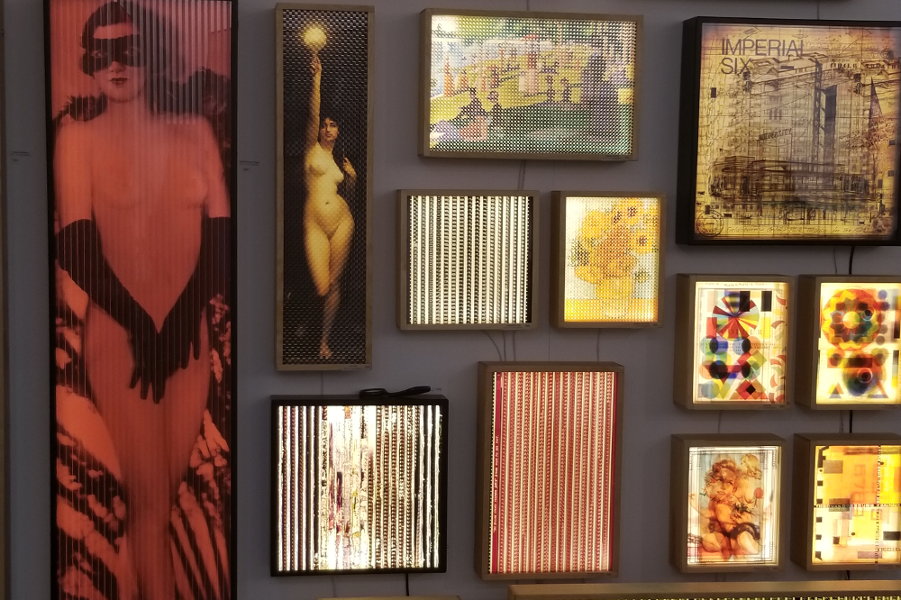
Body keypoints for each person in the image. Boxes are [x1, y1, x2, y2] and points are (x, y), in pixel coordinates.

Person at [53, 3, 230, 599]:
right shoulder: (78, 140)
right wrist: (142, 324)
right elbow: (76, 247)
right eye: (102, 54)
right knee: (149, 500)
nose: (116, 65)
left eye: (128, 51)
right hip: (118, 337)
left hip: (187, 337)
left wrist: (177, 320)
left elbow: (221, 238)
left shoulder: (195, 133)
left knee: (164, 495)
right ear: (89, 64)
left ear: (151, 58)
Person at [304, 52, 356, 359]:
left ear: (338, 131)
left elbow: (350, 195)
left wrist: (352, 178)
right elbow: (313, 115)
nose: (326, 128)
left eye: (332, 125)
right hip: (315, 223)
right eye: (324, 124)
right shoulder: (312, 150)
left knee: (335, 284)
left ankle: (324, 340)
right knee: (321, 287)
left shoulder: (339, 161)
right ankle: (307, 327)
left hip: (342, 221)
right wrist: (317, 78)